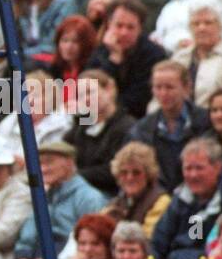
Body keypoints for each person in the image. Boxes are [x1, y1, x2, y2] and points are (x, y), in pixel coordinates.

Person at [151, 135, 222, 259]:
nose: (193, 175)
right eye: (188, 168)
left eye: (199, 168)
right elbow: (158, 242)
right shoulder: (179, 200)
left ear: (217, 168)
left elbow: (219, 251)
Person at [128, 59, 209, 191]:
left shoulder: (206, 121)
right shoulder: (143, 129)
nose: (163, 94)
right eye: (158, 87)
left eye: (169, 87)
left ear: (187, 87)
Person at [85, 0, 168, 120]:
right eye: (119, 26)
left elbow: (137, 101)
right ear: (109, 25)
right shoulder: (101, 51)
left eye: (130, 27)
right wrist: (114, 60)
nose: (124, 33)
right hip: (97, 115)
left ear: (140, 29)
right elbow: (90, 88)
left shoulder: (153, 55)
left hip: (134, 118)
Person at [64, 68, 131, 196]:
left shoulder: (125, 127)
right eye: (81, 95)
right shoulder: (80, 125)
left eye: (90, 92)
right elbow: (64, 150)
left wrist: (75, 175)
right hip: (76, 189)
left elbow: (113, 170)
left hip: (107, 193)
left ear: (109, 89)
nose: (86, 99)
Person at [172, 3, 222, 109]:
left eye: (208, 23)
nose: (201, 28)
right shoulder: (179, 57)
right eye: (196, 24)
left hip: (215, 119)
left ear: (220, 27)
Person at [102, 140, 171, 237]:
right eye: (124, 172)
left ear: (148, 174)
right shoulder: (115, 204)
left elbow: (148, 239)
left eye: (136, 172)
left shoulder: (161, 202)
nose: (130, 178)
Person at [47, 14, 97, 112]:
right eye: (65, 41)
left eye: (75, 42)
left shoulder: (93, 69)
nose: (69, 47)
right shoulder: (54, 68)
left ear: (86, 44)